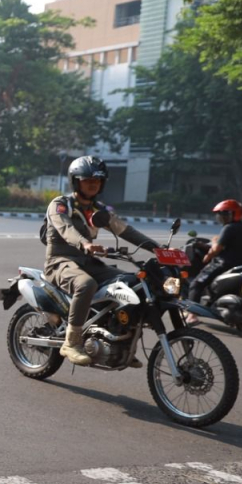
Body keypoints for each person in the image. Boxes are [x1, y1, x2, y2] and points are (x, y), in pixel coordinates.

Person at [44, 155, 157, 366]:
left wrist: (160, 249)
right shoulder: (60, 205)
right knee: (86, 285)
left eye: (98, 180)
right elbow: (66, 229)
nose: (93, 184)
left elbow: (126, 231)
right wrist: (85, 244)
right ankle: (71, 342)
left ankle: (122, 341)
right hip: (60, 261)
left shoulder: (99, 210)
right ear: (76, 181)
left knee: (133, 283)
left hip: (88, 263)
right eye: (87, 180)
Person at [187, 199, 242, 305]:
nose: (222, 217)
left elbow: (216, 249)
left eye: (225, 214)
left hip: (224, 265)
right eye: (221, 214)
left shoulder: (229, 228)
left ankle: (191, 315)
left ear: (233, 214)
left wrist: (208, 256)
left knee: (197, 283)